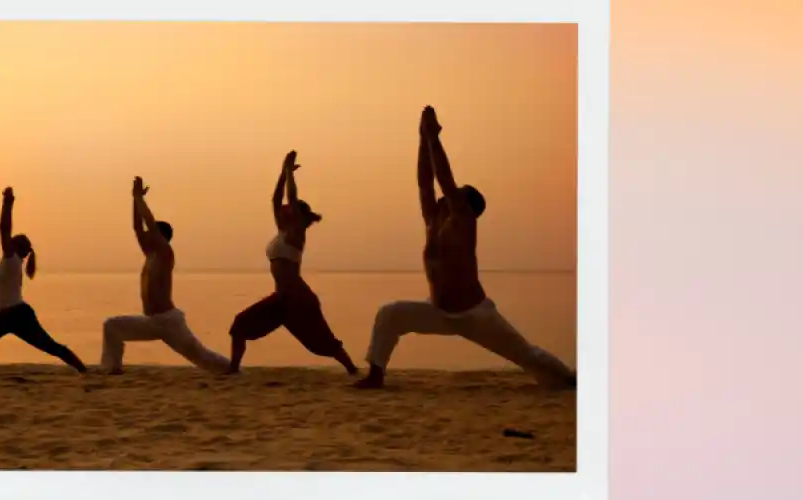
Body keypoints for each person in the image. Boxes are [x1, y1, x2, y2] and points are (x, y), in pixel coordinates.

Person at [355, 106, 576, 390]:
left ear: (467, 208)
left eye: (455, 196)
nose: (447, 197)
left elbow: (444, 180)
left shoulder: (464, 223)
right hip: (438, 310)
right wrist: (422, 138)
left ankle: (571, 378)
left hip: (474, 315)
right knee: (390, 314)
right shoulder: (434, 220)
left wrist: (434, 137)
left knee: (527, 355)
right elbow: (425, 183)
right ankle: (375, 375)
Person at [226, 151, 359, 375]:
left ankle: (352, 369)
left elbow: (291, 197)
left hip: (298, 298)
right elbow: (275, 199)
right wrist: (281, 173)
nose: (284, 208)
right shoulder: (282, 232)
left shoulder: (296, 233)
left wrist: (289, 172)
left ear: (296, 215)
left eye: (289, 208)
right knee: (240, 325)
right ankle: (233, 369)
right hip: (280, 298)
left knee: (322, 341)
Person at [99, 177, 232, 375]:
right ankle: (112, 369)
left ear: (162, 238)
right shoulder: (150, 254)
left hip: (168, 321)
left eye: (153, 235)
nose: (147, 236)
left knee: (199, 355)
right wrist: (134, 200)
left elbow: (150, 225)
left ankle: (232, 369)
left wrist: (140, 198)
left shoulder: (165, 254)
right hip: (151, 321)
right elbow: (137, 227)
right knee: (112, 327)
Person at [0, 187, 92, 374]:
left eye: (12, 241)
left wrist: (7, 204)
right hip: (12, 315)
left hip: (16, 316)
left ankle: (83, 370)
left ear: (16, 247)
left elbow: (3, 229)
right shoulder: (11, 262)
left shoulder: (11, 260)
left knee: (48, 345)